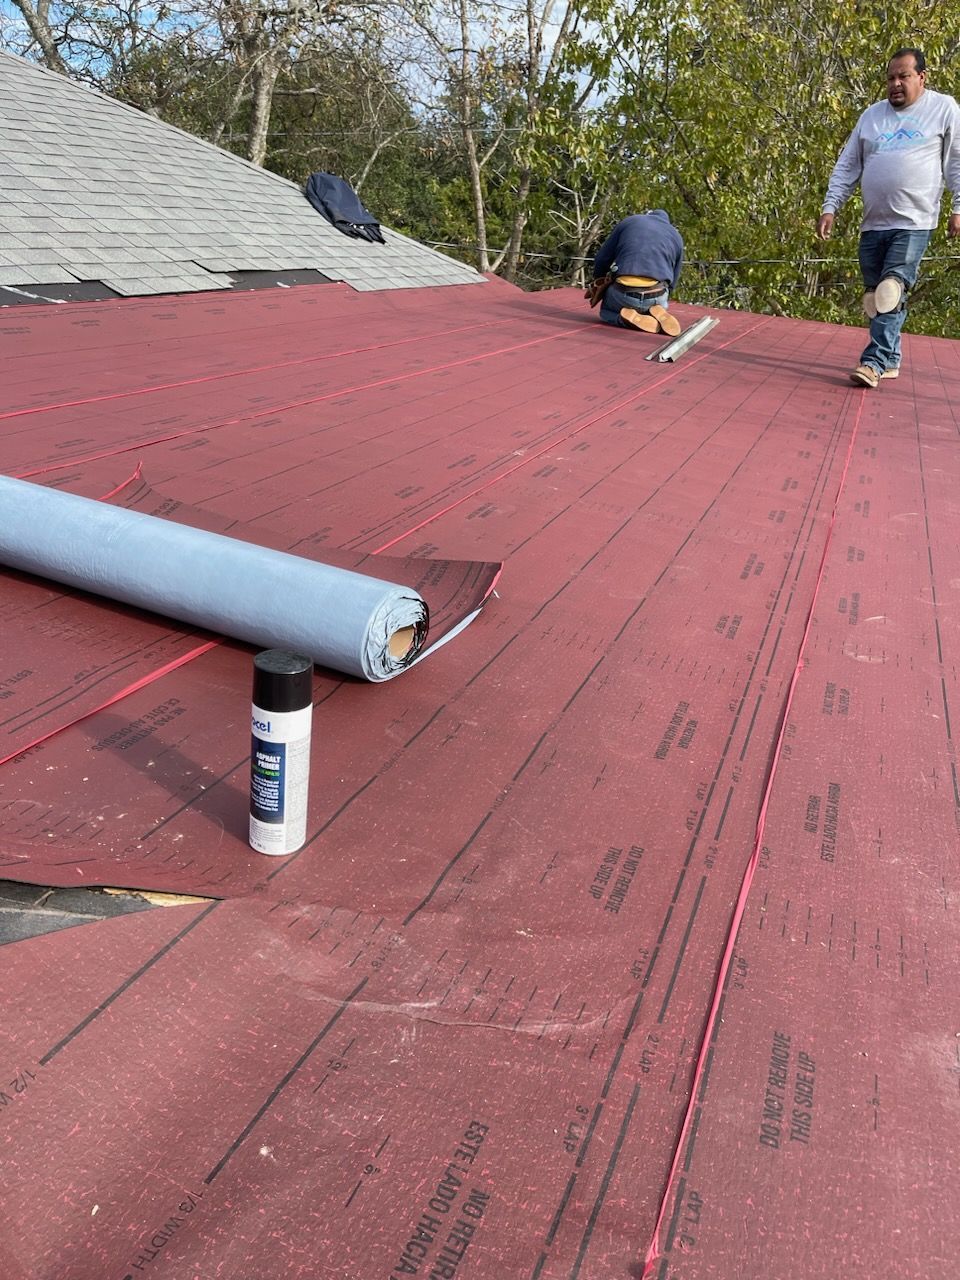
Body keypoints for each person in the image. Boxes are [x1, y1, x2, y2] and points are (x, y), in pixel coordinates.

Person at [817, 47, 960, 388]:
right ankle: (891, 357)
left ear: (921, 77)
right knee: (875, 298)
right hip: (874, 222)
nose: (895, 84)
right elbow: (848, 164)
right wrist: (830, 206)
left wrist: (959, 206)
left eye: (903, 76)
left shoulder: (943, 108)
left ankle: (874, 362)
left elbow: (957, 160)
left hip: (914, 222)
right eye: (891, 78)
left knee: (890, 290)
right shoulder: (872, 116)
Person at [587, 210, 684, 336]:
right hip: (657, 294)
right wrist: (666, 294)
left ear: (647, 215)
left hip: (624, 295)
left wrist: (599, 279)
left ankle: (622, 319)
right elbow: (674, 277)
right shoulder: (675, 235)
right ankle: (655, 311)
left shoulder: (629, 222)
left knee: (606, 311)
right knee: (659, 299)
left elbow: (602, 259)